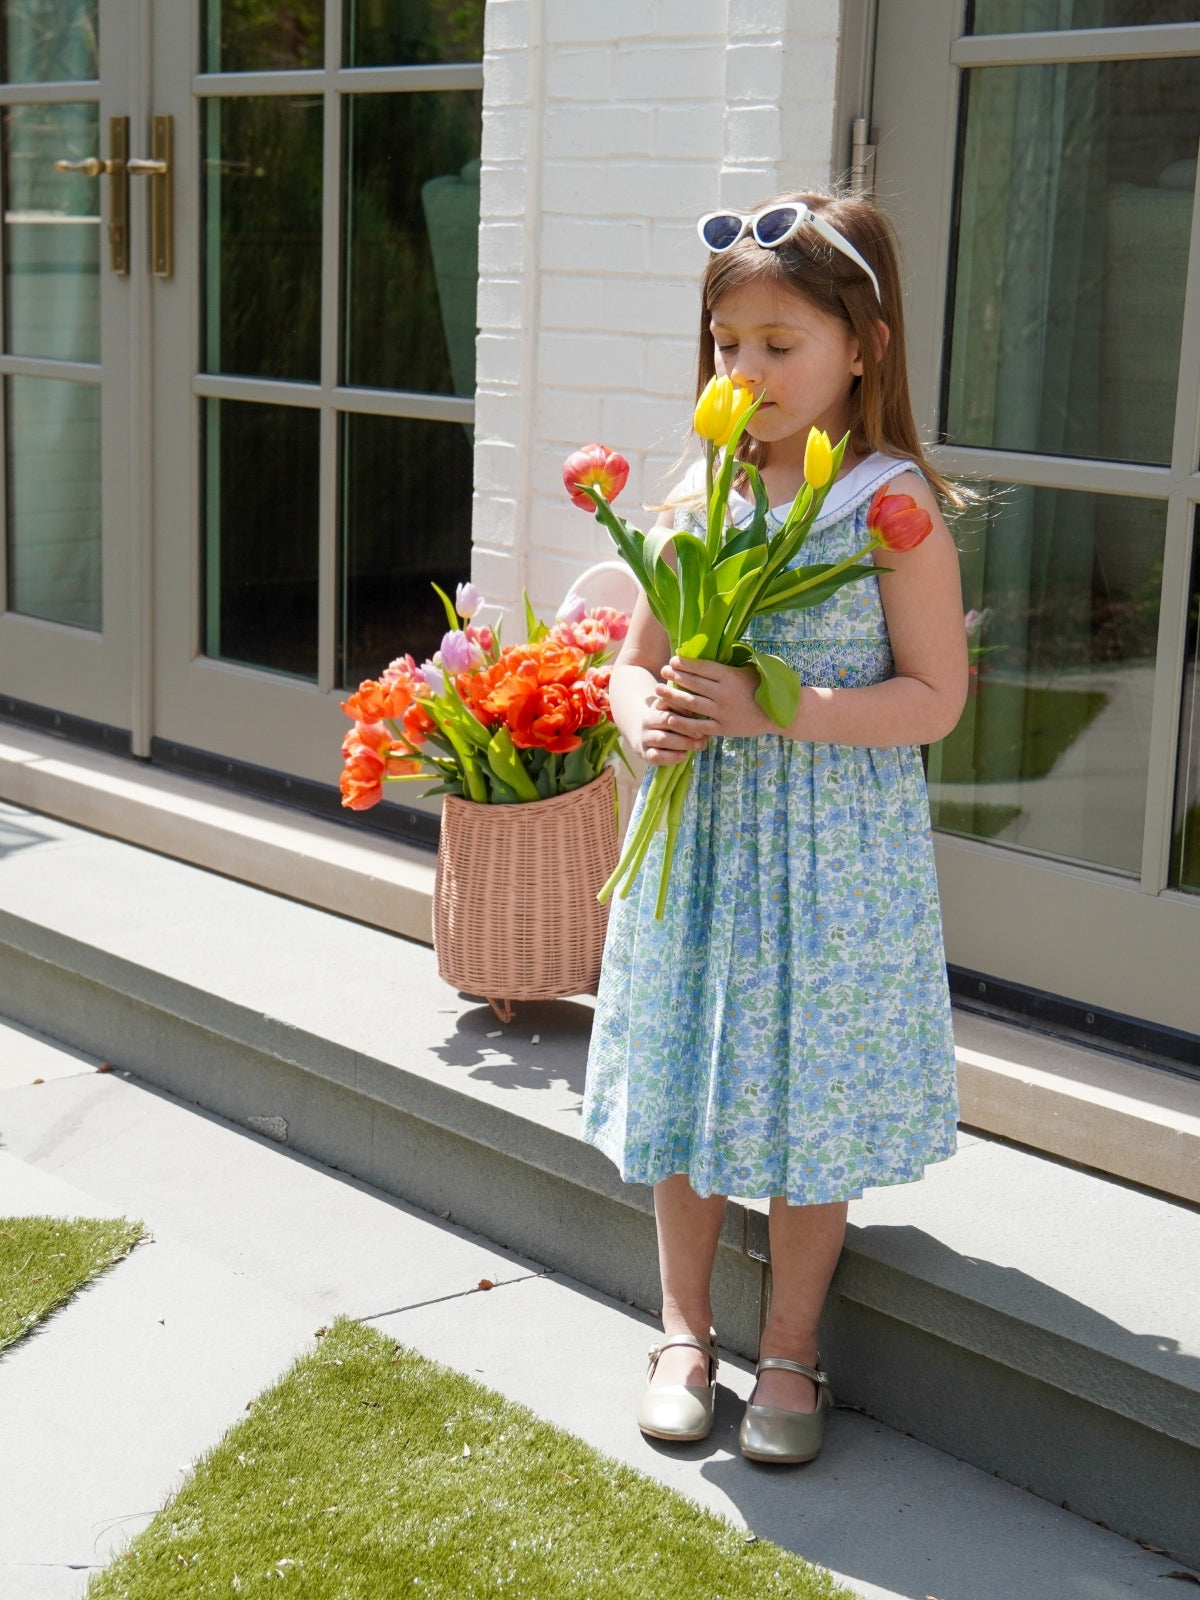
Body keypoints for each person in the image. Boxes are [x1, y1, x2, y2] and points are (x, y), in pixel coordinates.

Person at [580, 191, 968, 1464]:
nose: (744, 370)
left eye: (778, 344)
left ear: (864, 347)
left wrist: (772, 706)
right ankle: (682, 1332)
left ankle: (791, 1347)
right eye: (727, 343)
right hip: (702, 848)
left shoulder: (890, 508)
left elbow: (934, 700)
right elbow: (633, 663)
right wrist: (641, 714)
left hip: (828, 860)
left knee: (813, 1085)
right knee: (688, 1072)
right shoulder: (703, 489)